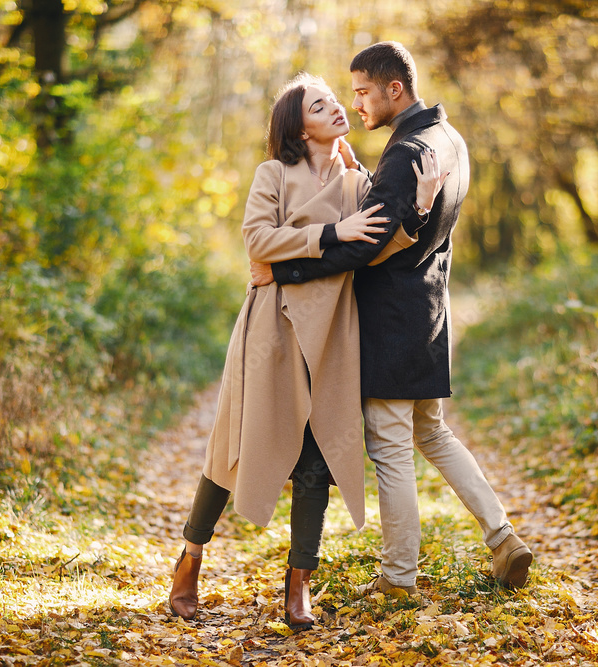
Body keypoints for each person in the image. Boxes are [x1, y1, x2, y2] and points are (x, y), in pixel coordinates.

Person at [250, 42, 533, 596]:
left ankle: (399, 578)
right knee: (433, 433)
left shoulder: (406, 153)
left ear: (394, 89)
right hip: (429, 314)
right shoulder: (449, 139)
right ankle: (503, 538)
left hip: (389, 323)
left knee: (391, 451)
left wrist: (286, 272)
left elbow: (367, 246)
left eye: (362, 92)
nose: (355, 103)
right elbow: (405, 224)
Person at [168, 72, 446, 630]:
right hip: (271, 327)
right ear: (298, 127)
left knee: (318, 456)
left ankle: (299, 585)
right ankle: (190, 558)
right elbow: (257, 240)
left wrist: (418, 207)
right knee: (235, 444)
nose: (338, 108)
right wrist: (331, 234)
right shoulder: (272, 173)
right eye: (320, 106)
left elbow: (377, 246)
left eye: (336, 101)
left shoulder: (358, 182)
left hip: (334, 332)